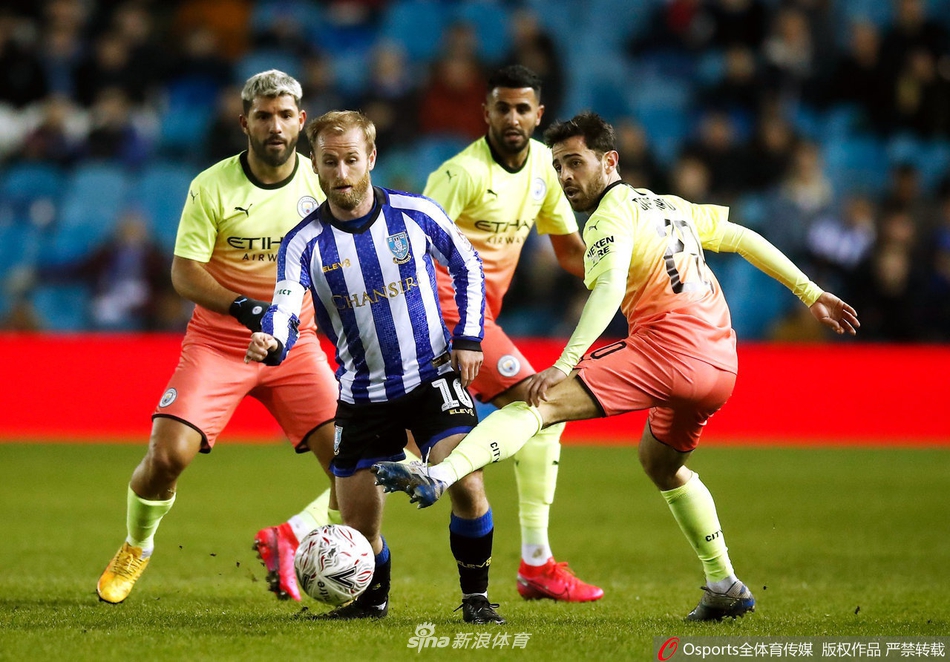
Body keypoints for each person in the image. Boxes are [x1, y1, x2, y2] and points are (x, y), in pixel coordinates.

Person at [373, 111, 860, 621]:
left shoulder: (610, 216)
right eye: (558, 165)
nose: (564, 176)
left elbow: (607, 291)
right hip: (721, 363)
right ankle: (724, 584)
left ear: (609, 161)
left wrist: (565, 364)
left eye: (575, 163)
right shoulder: (667, 205)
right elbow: (739, 236)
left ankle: (441, 474)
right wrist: (810, 292)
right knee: (660, 464)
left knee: (541, 404)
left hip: (669, 349)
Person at [245, 110, 504, 624]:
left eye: (351, 160)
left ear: (371, 159)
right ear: (314, 166)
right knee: (358, 526)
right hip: (361, 395)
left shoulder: (415, 214)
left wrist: (469, 337)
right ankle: (371, 603)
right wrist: (271, 338)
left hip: (431, 376)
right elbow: (285, 301)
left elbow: (467, 264)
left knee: (467, 487)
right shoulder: (303, 242)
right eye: (329, 162)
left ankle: (476, 599)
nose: (341, 172)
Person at [96, 70, 340, 605]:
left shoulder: (323, 182)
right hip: (219, 343)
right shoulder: (211, 185)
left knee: (355, 470)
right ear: (243, 123)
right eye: (262, 116)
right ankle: (138, 544)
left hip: (295, 347)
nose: (274, 126)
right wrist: (245, 308)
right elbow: (184, 273)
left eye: (284, 116)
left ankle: (299, 538)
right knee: (167, 457)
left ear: (301, 121)